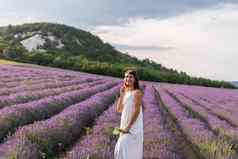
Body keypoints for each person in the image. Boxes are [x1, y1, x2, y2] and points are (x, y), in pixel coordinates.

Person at [114, 69, 144, 159]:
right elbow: (119, 109)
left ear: (135, 79)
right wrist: (122, 94)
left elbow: (136, 111)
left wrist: (128, 127)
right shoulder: (126, 92)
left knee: (123, 147)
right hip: (124, 123)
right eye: (126, 76)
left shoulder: (137, 92)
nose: (128, 78)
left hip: (133, 126)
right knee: (122, 151)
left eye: (130, 76)